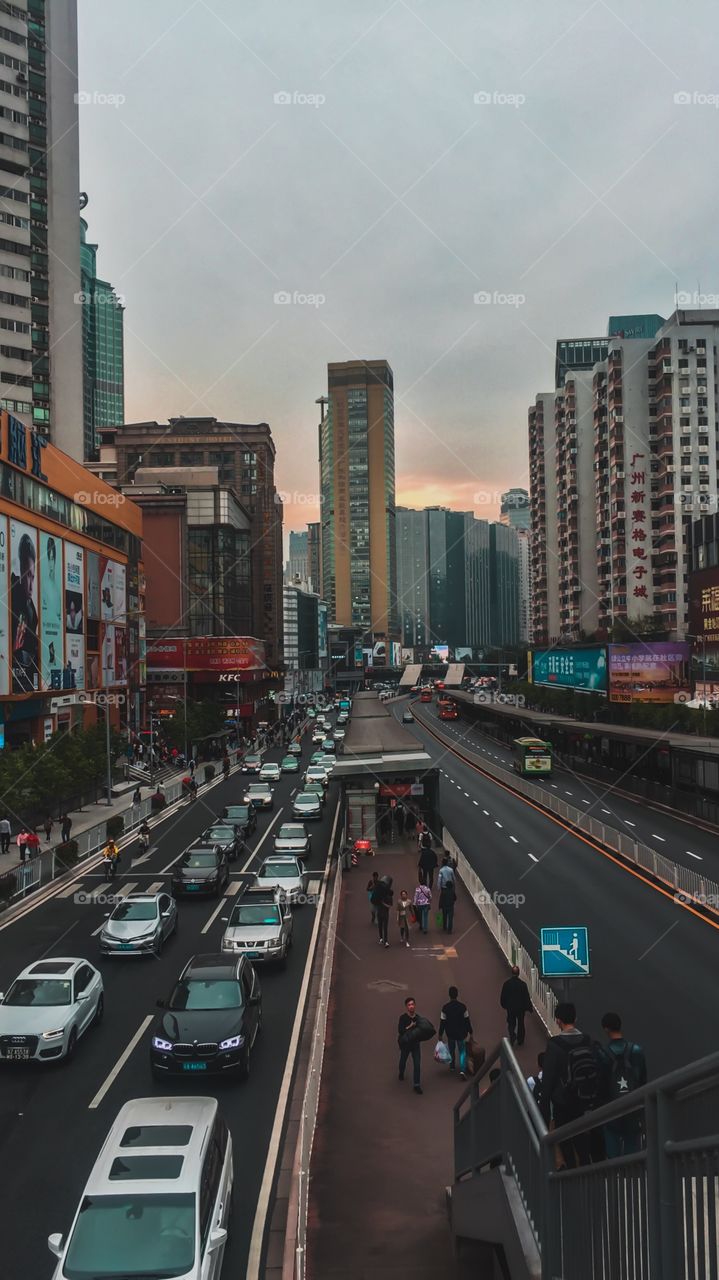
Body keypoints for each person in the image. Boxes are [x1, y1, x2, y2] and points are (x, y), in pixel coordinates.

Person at [539, 1002, 601, 1168]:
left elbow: (548, 1081)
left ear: (558, 1020)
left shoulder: (554, 1045)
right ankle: (587, 1171)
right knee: (583, 1144)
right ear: (575, 1018)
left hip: (563, 1103)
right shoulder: (588, 1040)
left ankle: (572, 1174)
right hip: (586, 1100)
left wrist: (543, 1115)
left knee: (565, 1142)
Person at [596, 1012, 647, 1158]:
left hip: (611, 1110)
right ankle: (633, 1177)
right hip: (633, 1107)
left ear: (606, 1029)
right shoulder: (636, 1050)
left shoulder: (602, 1054)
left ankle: (616, 1178)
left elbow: (600, 1086)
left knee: (613, 1152)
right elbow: (643, 1080)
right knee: (633, 1149)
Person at [439, 986, 473, 1078]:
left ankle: (452, 1066)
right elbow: (467, 1020)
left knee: (451, 1050)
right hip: (461, 1033)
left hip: (450, 1033)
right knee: (462, 1051)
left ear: (449, 995)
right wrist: (471, 1031)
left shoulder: (445, 1008)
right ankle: (462, 1070)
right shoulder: (463, 1007)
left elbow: (442, 1021)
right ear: (457, 994)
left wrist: (440, 1034)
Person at [500, 965, 533, 1047]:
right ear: (518, 973)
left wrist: (504, 1004)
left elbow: (503, 995)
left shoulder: (507, 984)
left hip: (510, 1007)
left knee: (511, 1023)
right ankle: (520, 1040)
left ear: (512, 973)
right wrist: (529, 1007)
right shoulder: (522, 984)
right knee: (521, 1023)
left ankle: (512, 1035)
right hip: (520, 1008)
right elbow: (526, 997)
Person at [397, 996, 423, 1094]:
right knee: (403, 1060)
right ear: (406, 1007)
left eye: (412, 1004)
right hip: (406, 1044)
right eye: (409, 1005)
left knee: (417, 1065)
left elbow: (422, 1031)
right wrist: (410, 1027)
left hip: (415, 1044)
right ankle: (401, 1072)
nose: (411, 1007)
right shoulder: (403, 1018)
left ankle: (417, 1085)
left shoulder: (418, 1018)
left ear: (415, 1005)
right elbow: (400, 1030)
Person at [371, 874, 393, 947]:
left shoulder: (379, 895)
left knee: (382, 926)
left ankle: (383, 939)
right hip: (383, 912)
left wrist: (382, 903)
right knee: (382, 926)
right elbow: (390, 905)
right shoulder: (388, 895)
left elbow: (389, 905)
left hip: (382, 911)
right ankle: (383, 940)